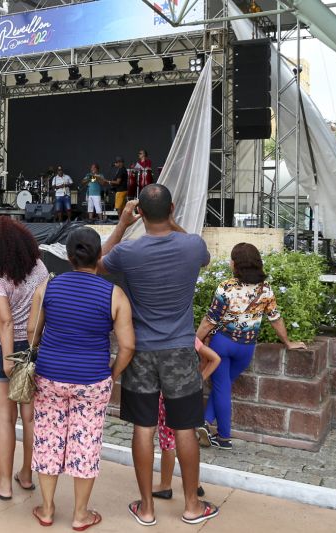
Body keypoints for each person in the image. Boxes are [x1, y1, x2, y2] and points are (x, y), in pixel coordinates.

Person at [99, 184, 217, 526]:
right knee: (185, 426)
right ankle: (192, 505)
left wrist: (122, 225)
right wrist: (172, 221)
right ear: (172, 209)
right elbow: (203, 256)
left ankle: (147, 508)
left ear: (139, 215)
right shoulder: (193, 245)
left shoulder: (129, 252)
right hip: (180, 348)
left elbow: (97, 263)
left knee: (144, 428)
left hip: (141, 350)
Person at [27, 227, 135, 530]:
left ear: (68, 255)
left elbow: (31, 333)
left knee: (47, 440)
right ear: (100, 255)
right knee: (86, 444)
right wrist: (111, 375)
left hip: (49, 377)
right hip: (92, 380)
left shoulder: (47, 287)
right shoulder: (114, 294)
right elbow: (127, 346)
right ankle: (80, 514)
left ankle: (47, 509)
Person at [195, 243, 306, 451]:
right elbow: (275, 319)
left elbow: (210, 321)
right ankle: (207, 424)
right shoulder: (266, 289)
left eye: (231, 260)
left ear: (236, 264)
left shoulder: (225, 287)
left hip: (222, 343)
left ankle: (224, 437)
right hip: (246, 348)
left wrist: (193, 341)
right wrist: (288, 342)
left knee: (221, 387)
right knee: (223, 386)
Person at [0, 217, 49, 500]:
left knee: (4, 419)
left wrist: (8, 360)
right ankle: (27, 475)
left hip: (1, 350)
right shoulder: (40, 268)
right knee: (30, 418)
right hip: (33, 348)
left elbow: (4, 322)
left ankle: (4, 484)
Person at [153, 336, 220, 500]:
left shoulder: (159, 334)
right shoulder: (190, 336)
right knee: (189, 438)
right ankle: (195, 484)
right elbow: (215, 359)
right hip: (190, 393)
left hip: (167, 394)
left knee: (168, 441)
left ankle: (165, 485)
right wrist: (199, 379)